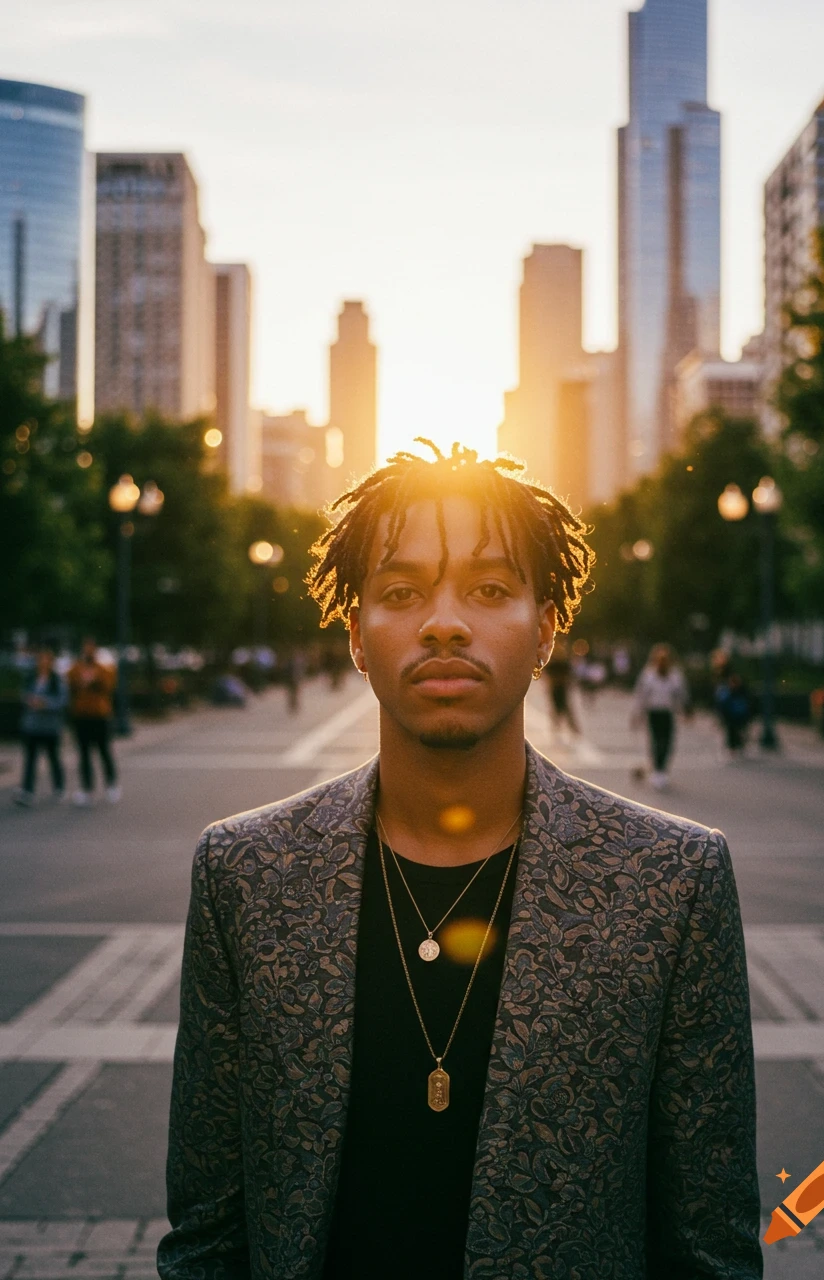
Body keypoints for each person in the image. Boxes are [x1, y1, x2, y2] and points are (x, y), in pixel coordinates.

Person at [159, 440, 761, 1280]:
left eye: (488, 589)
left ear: (546, 628)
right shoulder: (246, 873)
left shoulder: (672, 880)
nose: (445, 621)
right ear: (358, 636)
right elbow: (207, 1234)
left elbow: (712, 1246)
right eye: (402, 592)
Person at [67, 638, 120, 806]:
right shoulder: (76, 669)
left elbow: (109, 685)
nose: (88, 652)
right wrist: (81, 680)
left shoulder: (102, 669)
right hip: (82, 716)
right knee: (84, 754)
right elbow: (69, 683)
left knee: (104, 751)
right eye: (85, 649)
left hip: (99, 716)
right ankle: (86, 789)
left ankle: (111, 785)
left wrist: (94, 679)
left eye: (91, 648)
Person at [632, 643, 690, 791]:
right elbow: (641, 695)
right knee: (656, 742)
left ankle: (662, 769)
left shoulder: (675, 676)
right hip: (654, 713)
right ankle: (657, 771)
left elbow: (681, 694)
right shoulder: (649, 675)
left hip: (667, 713)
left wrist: (686, 709)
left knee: (667, 742)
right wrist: (637, 713)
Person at [16, 646, 67, 806]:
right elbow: (24, 694)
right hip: (32, 725)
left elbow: (62, 701)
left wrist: (44, 703)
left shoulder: (57, 680)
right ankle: (27, 790)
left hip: (50, 727)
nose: (43, 663)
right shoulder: (32, 678)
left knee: (53, 758)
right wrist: (29, 700)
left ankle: (59, 786)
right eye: (41, 659)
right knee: (30, 759)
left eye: (46, 659)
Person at [543, 634, 581, 743]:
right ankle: (558, 730)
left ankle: (572, 730)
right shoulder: (555, 660)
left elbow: (568, 675)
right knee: (558, 709)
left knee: (566, 709)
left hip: (561, 687)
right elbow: (548, 675)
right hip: (556, 688)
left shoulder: (562, 660)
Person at [716, 671, 754, 760]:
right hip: (733, 716)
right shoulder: (731, 692)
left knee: (737, 731)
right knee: (732, 732)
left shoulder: (740, 691)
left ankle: (737, 746)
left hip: (739, 716)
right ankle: (734, 747)